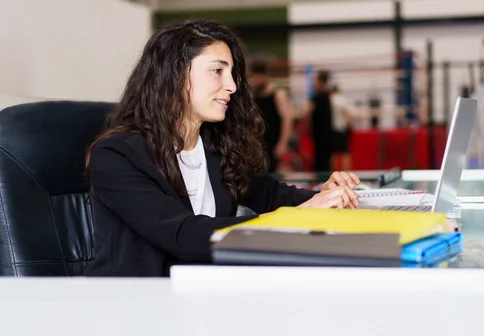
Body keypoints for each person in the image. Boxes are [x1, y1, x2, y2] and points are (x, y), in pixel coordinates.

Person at [84, 20, 360, 277]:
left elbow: (273, 196)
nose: (232, 86)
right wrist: (300, 216)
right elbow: (184, 235)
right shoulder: (117, 155)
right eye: (218, 71)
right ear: (174, 75)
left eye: (232, 74)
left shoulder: (216, 147)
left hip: (206, 296)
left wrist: (324, 194)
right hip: (136, 308)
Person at [249, 60, 294, 173]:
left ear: (265, 76)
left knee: (273, 176)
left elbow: (288, 119)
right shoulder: (254, 95)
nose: (256, 81)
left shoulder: (278, 94)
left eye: (258, 77)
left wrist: (283, 143)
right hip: (259, 143)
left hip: (274, 143)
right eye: (254, 78)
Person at [305, 70, 333, 172]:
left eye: (315, 81)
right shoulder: (327, 95)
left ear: (320, 81)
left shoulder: (317, 97)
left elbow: (306, 112)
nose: (313, 84)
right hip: (325, 133)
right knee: (325, 159)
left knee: (321, 160)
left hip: (321, 133)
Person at [330, 85, 353, 171]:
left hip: (332, 130)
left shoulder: (330, 100)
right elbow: (347, 113)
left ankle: (333, 174)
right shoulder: (341, 100)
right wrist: (351, 123)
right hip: (341, 129)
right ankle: (347, 174)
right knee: (345, 153)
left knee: (333, 154)